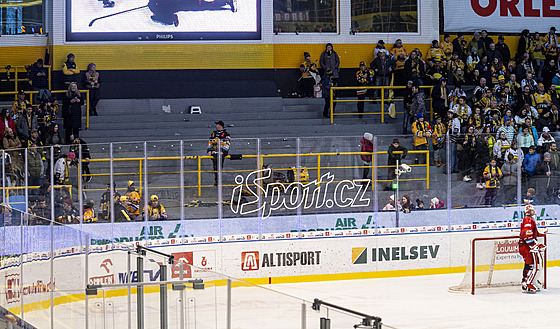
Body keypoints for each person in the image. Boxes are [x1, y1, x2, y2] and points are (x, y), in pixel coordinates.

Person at [518, 204, 546, 292]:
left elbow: (532, 233)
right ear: (529, 212)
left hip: (526, 245)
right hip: (526, 246)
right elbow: (527, 235)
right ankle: (527, 282)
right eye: (533, 211)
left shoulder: (529, 220)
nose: (534, 213)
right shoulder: (527, 219)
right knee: (531, 265)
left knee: (530, 264)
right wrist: (534, 245)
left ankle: (527, 280)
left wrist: (541, 233)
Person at [207, 120, 231, 186]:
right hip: (214, 151)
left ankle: (219, 179)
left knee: (219, 165)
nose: (216, 126)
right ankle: (216, 179)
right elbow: (210, 142)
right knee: (215, 166)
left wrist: (223, 151)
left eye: (218, 124)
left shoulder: (226, 134)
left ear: (221, 126)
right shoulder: (213, 133)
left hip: (222, 152)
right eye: (216, 124)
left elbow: (227, 144)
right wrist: (209, 150)